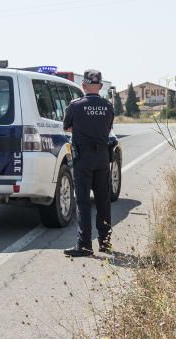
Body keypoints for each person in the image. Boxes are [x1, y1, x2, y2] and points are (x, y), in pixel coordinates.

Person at [63, 69, 115, 257]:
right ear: (100, 86)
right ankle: (105, 242)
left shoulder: (75, 106)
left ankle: (84, 245)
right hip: (102, 157)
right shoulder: (108, 106)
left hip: (83, 158)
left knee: (84, 202)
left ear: (83, 85)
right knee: (103, 201)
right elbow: (108, 128)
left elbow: (67, 127)